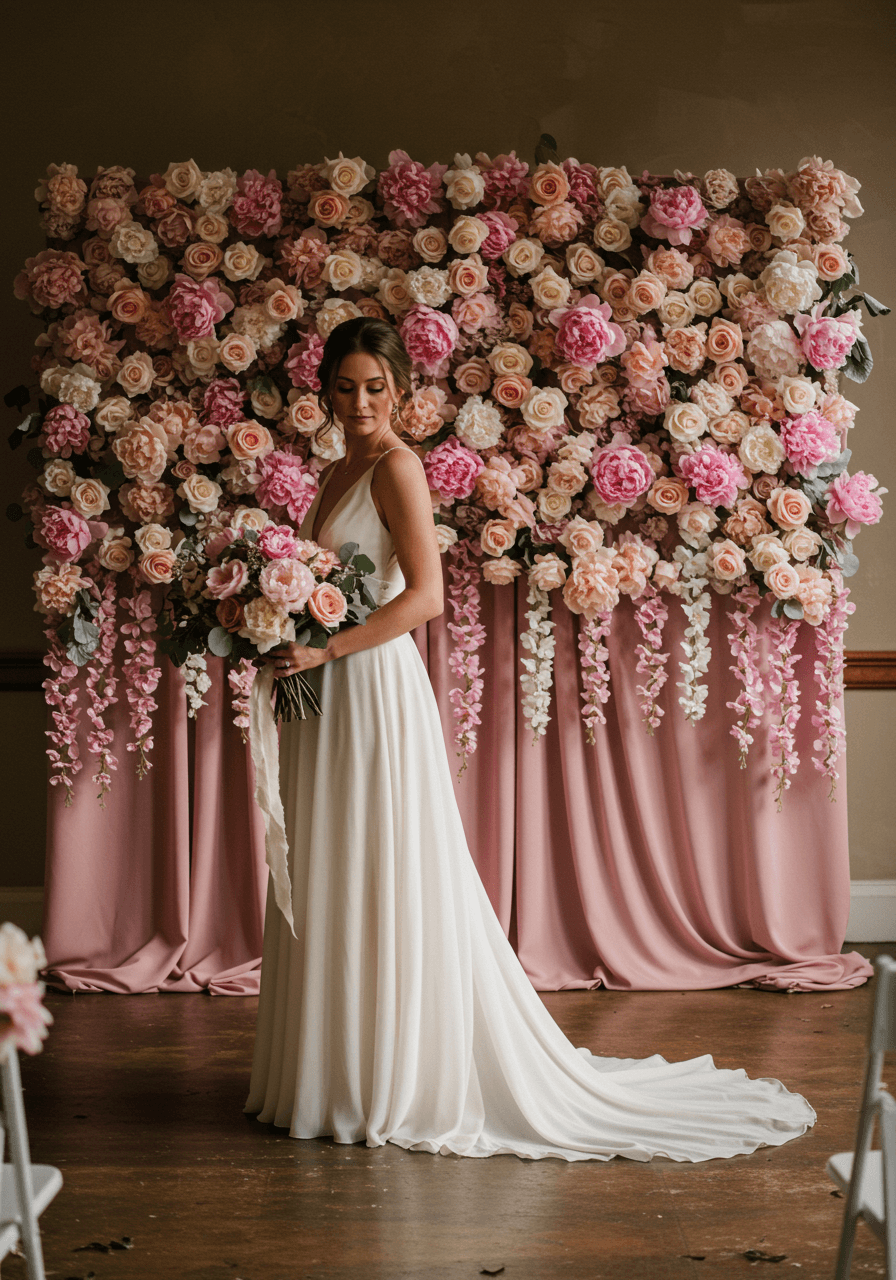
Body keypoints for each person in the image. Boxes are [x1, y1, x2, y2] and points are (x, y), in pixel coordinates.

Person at [244, 317, 815, 1162]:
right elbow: (329, 581)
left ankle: (384, 1076)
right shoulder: (335, 472)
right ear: (323, 391)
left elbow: (425, 598)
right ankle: (328, 1071)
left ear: (400, 391)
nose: (359, 402)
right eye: (343, 387)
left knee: (379, 862)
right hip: (323, 691)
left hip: (368, 686)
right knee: (332, 862)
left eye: (375, 387)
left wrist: (327, 643)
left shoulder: (398, 468)